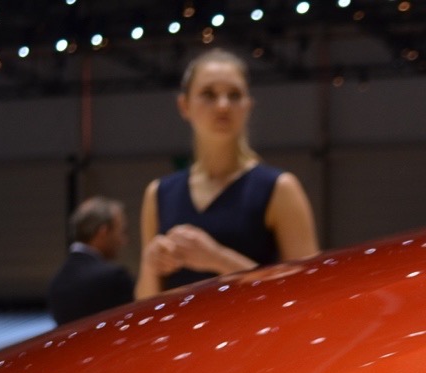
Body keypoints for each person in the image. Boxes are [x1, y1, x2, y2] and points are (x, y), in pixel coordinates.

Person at [137, 49, 318, 298]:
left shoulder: (279, 188)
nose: (223, 105)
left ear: (248, 106)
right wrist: (150, 265)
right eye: (208, 94)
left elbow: (308, 291)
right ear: (184, 105)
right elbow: (145, 303)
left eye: (234, 95)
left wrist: (217, 259)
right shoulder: (158, 193)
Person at [48, 196, 136, 324]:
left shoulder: (56, 284)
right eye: (121, 232)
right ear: (103, 231)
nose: (124, 241)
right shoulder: (114, 278)